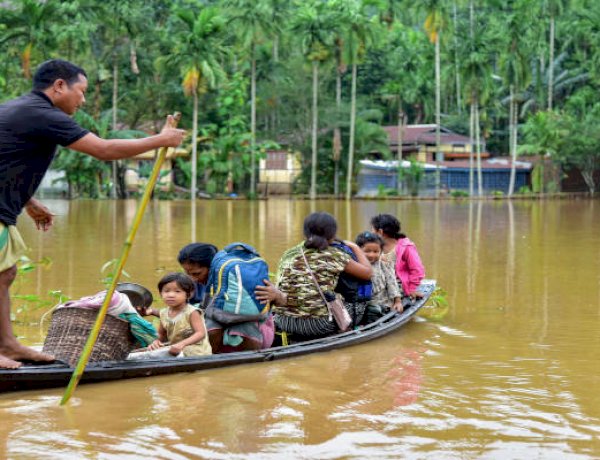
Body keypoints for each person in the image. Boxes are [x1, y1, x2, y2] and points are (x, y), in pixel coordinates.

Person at [0, 59, 185, 369]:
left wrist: (30, 203)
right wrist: (160, 140)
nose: (82, 100)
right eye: (81, 91)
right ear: (59, 86)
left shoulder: (19, 109)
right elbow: (103, 149)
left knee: (4, 274)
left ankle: (7, 343)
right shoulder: (43, 113)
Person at [255, 212, 372, 339]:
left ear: (305, 233)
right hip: (318, 325)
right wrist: (355, 247)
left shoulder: (289, 253)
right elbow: (368, 273)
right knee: (361, 304)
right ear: (333, 234)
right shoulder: (335, 254)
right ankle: (344, 331)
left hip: (283, 321)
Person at [142, 272, 211, 358]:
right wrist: (156, 342)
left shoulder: (192, 312)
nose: (171, 295)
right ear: (160, 293)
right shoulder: (163, 313)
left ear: (189, 294)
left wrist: (182, 344)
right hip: (175, 350)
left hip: (197, 352)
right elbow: (161, 334)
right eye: (166, 291)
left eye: (177, 291)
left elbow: (200, 333)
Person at [370, 214, 425, 299]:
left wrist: (412, 289)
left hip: (398, 286)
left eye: (372, 230)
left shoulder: (406, 247)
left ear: (380, 232)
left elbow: (417, 270)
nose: (371, 233)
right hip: (381, 284)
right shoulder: (375, 247)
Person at [355, 231, 403, 313]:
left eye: (375, 251)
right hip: (361, 304)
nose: (371, 255)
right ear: (358, 251)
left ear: (380, 251)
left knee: (376, 310)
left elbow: (391, 282)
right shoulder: (355, 265)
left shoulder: (383, 264)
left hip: (383, 302)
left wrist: (398, 301)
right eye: (367, 251)